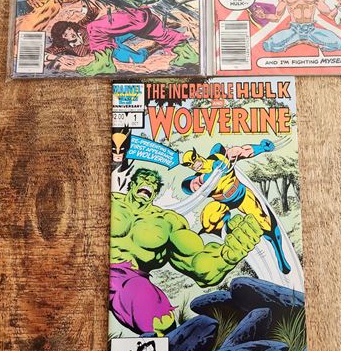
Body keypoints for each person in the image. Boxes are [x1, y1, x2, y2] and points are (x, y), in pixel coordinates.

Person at [109, 169, 262, 335]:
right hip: (92, 266)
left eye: (154, 183)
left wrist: (227, 255)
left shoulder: (166, 222)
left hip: (128, 278)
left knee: (160, 321)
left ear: (155, 193)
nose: (149, 183)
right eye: (144, 178)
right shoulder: (109, 200)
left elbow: (197, 263)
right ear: (133, 184)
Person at [180, 140, 291, 274]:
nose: (194, 164)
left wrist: (261, 148)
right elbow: (193, 186)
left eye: (193, 159)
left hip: (241, 194)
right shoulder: (198, 180)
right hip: (223, 202)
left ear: (196, 154)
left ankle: (280, 255)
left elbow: (242, 151)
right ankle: (226, 230)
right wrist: (206, 178)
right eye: (188, 164)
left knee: (265, 223)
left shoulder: (219, 157)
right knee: (209, 215)